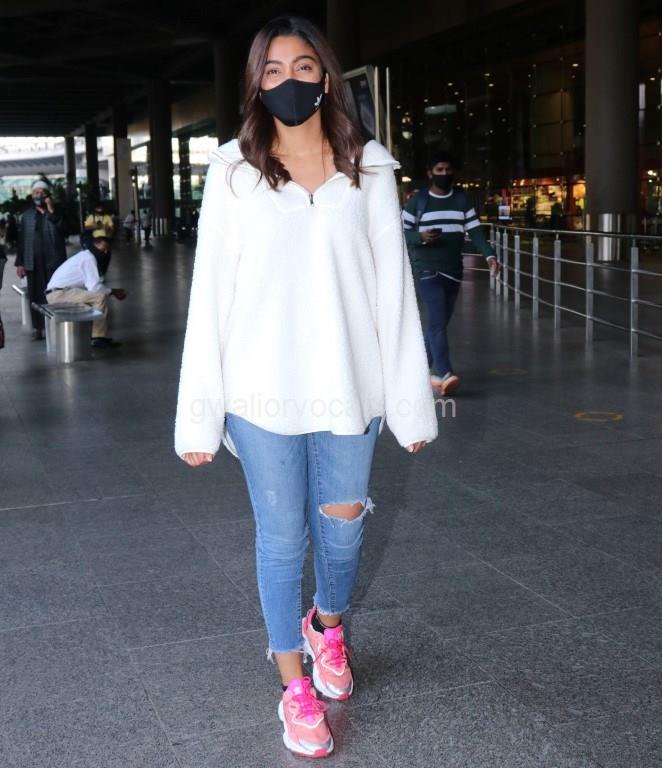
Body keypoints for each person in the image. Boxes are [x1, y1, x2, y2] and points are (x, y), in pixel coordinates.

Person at [174, 15, 437, 760]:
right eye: (273, 69)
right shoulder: (234, 172)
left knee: (344, 527)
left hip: (350, 386)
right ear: (256, 83)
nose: (289, 81)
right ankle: (293, 686)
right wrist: (199, 418)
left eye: (303, 66)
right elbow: (211, 295)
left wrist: (409, 404)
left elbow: (393, 291)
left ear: (327, 75)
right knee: (282, 537)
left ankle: (327, 624)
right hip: (259, 389)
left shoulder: (369, 169)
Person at [403, 152, 499, 396]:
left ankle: (419, 372)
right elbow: (400, 231)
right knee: (436, 321)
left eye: (448, 170)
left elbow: (475, 231)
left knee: (439, 324)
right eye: (439, 170)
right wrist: (420, 237)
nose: (444, 174)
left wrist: (489, 255)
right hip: (427, 268)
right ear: (430, 173)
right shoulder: (418, 201)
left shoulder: (461, 200)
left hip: (453, 270)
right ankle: (445, 371)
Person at [45, 236, 126, 348]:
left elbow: (90, 285)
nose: (105, 253)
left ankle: (93, 336)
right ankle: (98, 337)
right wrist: (113, 292)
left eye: (107, 250)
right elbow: (94, 287)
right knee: (99, 297)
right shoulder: (89, 259)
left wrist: (111, 291)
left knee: (93, 300)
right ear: (95, 246)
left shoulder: (85, 256)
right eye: (103, 249)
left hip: (58, 293)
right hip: (60, 294)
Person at [15, 180, 66, 340]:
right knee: (35, 296)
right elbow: (21, 240)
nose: (39, 195)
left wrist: (51, 211)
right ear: (32, 196)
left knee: (53, 294)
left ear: (48, 195)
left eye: (42, 193)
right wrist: (20, 263)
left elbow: (64, 230)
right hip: (32, 262)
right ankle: (37, 328)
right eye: (36, 192)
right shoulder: (26, 216)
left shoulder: (56, 213)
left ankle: (54, 325)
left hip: (53, 262)